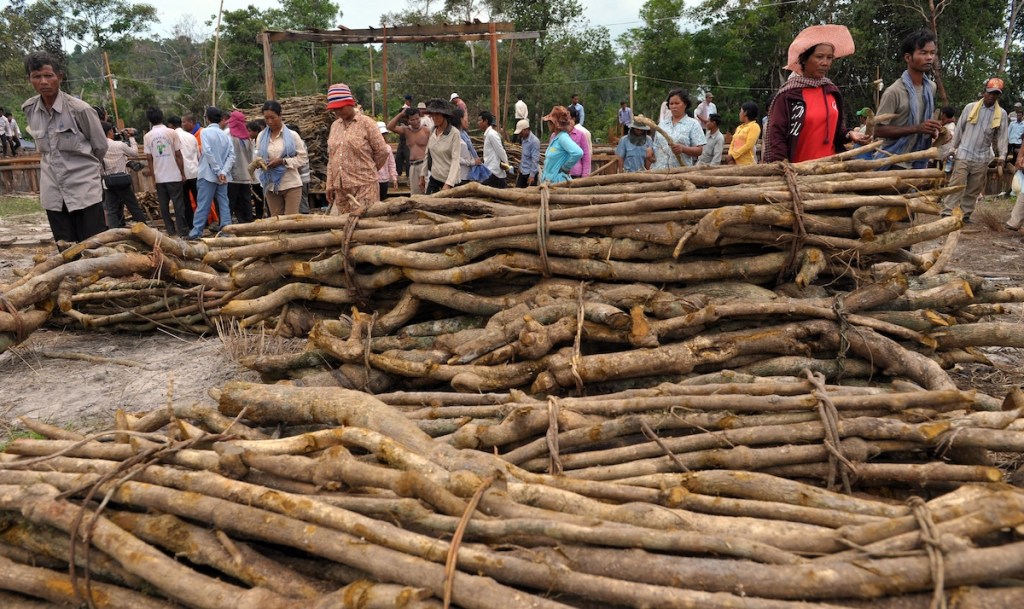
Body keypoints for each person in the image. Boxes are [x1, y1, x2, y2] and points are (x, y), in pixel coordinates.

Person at [22, 51, 108, 246]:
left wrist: (83, 169)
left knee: (93, 248)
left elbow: (100, 147)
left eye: (48, 75)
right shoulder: (29, 109)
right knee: (65, 250)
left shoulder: (80, 109)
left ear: (59, 77)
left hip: (83, 190)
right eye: (37, 77)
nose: (43, 81)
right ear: (30, 79)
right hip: (53, 191)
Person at [764, 24, 869, 163]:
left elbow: (837, 131)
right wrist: (782, 170)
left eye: (829, 57)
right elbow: (776, 139)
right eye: (819, 56)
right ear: (804, 59)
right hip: (799, 172)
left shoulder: (832, 91)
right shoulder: (788, 95)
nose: (825, 63)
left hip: (830, 170)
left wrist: (849, 134)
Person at [940, 77, 1009, 222]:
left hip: (982, 157)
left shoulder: (1001, 114)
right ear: (985, 92)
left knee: (973, 189)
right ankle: (947, 212)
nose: (992, 96)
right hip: (964, 153)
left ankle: (965, 215)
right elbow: (959, 129)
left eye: (995, 94)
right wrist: (953, 148)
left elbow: (1003, 136)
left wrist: (1002, 157)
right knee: (956, 184)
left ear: (998, 95)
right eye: (990, 93)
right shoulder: (970, 107)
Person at [873, 30, 943, 169]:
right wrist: (916, 128)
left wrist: (936, 132)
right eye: (923, 53)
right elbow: (877, 130)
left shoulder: (931, 87)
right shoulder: (894, 92)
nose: (929, 58)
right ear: (907, 57)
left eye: (932, 53)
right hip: (893, 160)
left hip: (919, 160)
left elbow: (923, 124)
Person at [324, 84, 389, 214]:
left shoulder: (367, 123)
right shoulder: (335, 126)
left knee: (364, 224)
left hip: (364, 186)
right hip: (341, 188)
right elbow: (332, 157)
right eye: (334, 109)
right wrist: (330, 183)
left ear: (351, 103)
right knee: (343, 224)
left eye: (340, 108)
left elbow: (382, 151)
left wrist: (368, 168)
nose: (337, 112)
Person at [188, 106, 235, 239]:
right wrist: (223, 172)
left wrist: (217, 170)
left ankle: (196, 231)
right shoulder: (225, 135)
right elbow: (232, 156)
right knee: (224, 203)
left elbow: (207, 152)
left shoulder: (205, 132)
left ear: (207, 119)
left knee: (203, 203)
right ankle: (226, 230)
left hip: (208, 174)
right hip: (223, 176)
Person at [255, 100, 308, 217]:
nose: (270, 121)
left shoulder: (292, 135)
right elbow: (258, 155)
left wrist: (283, 161)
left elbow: (303, 158)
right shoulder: (261, 136)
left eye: (273, 117)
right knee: (276, 221)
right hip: (270, 185)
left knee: (290, 221)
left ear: (280, 115)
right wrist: (260, 163)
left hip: (291, 184)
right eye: (266, 118)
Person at [143, 106, 189, 237]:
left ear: (150, 120)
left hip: (160, 177)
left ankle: (170, 230)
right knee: (178, 204)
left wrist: (153, 176)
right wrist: (182, 172)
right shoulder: (171, 133)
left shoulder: (147, 137)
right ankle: (182, 230)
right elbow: (178, 155)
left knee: (163, 206)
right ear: (162, 117)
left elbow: (149, 158)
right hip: (174, 175)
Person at [99, 121, 147, 228]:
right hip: (123, 181)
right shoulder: (119, 145)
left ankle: (114, 233)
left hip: (108, 182)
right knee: (133, 207)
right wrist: (131, 138)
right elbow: (134, 153)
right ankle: (145, 228)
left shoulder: (97, 147)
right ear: (110, 132)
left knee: (111, 210)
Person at [652, 88, 705, 169]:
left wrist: (683, 149)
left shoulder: (693, 124)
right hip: (659, 171)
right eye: (671, 104)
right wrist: (650, 151)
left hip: (680, 172)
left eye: (677, 103)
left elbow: (699, 150)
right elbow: (655, 146)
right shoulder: (662, 125)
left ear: (685, 104)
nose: (674, 106)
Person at [422, 98, 463, 193]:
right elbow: (427, 154)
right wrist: (422, 175)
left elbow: (455, 160)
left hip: (450, 182)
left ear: (445, 115)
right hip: (435, 178)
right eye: (432, 115)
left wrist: (448, 184)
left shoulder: (454, 133)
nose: (434, 117)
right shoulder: (432, 130)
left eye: (437, 114)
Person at [387, 107, 430, 195]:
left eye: (417, 119)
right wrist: (401, 114)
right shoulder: (406, 130)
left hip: (424, 165)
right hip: (412, 166)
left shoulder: (426, 130)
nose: (415, 121)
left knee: (427, 192)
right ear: (408, 120)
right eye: (412, 119)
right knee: (415, 194)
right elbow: (390, 126)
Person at [224, 110, 256, 223]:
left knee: (231, 199)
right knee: (245, 198)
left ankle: (227, 222)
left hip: (233, 173)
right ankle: (247, 220)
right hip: (246, 173)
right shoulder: (247, 137)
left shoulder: (228, 135)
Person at [168, 116, 198, 229]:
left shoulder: (171, 138)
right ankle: (203, 222)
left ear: (171, 125)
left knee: (185, 202)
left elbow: (175, 156)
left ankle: (191, 225)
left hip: (181, 174)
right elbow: (197, 155)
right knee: (199, 199)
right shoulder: (191, 136)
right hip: (195, 172)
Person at [540, 105, 583, 184]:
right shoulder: (556, 137)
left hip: (557, 182)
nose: (548, 124)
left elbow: (578, 152)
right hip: (550, 181)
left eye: (550, 122)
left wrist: (565, 168)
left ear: (555, 123)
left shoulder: (563, 137)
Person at [478, 110, 509, 188]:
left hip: (494, 172)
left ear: (486, 121)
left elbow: (500, 150)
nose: (478, 123)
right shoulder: (488, 134)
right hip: (490, 171)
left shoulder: (492, 134)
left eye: (480, 120)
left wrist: (506, 163)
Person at [246, 120, 267, 218]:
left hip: (262, 176)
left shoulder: (263, 142)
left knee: (264, 198)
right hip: (254, 177)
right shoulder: (252, 142)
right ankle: (259, 217)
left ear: (256, 131)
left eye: (250, 131)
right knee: (257, 199)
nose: (248, 133)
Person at [514, 119, 540, 187]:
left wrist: (532, 176)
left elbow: (535, 159)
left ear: (526, 129)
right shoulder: (523, 139)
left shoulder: (534, 141)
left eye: (521, 132)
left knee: (530, 195)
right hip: (523, 171)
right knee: (518, 192)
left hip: (530, 173)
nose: (520, 134)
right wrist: (520, 166)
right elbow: (524, 156)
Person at [567, 106, 591, 178]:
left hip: (575, 173)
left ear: (573, 119)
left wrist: (585, 174)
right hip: (559, 174)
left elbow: (586, 155)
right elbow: (552, 152)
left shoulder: (580, 135)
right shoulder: (555, 135)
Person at [376, 121, 398, 200]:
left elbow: (391, 163)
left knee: (383, 199)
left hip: (384, 179)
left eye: (384, 134)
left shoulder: (388, 148)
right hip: (373, 179)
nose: (383, 136)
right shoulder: (370, 147)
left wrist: (394, 178)